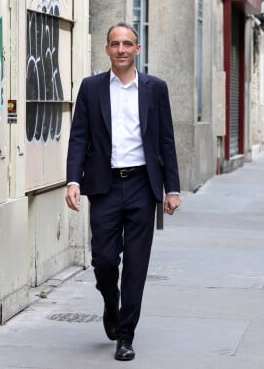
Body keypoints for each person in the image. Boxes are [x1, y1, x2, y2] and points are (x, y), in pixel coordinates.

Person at [65, 22, 181, 362]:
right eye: (115, 44)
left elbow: (166, 141)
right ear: (107, 50)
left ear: (138, 49)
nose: (121, 49)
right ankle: (109, 304)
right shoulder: (91, 88)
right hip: (103, 186)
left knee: (135, 264)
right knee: (103, 259)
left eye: (127, 43)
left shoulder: (155, 88)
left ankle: (125, 335)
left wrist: (171, 188)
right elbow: (78, 138)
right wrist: (73, 180)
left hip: (142, 187)